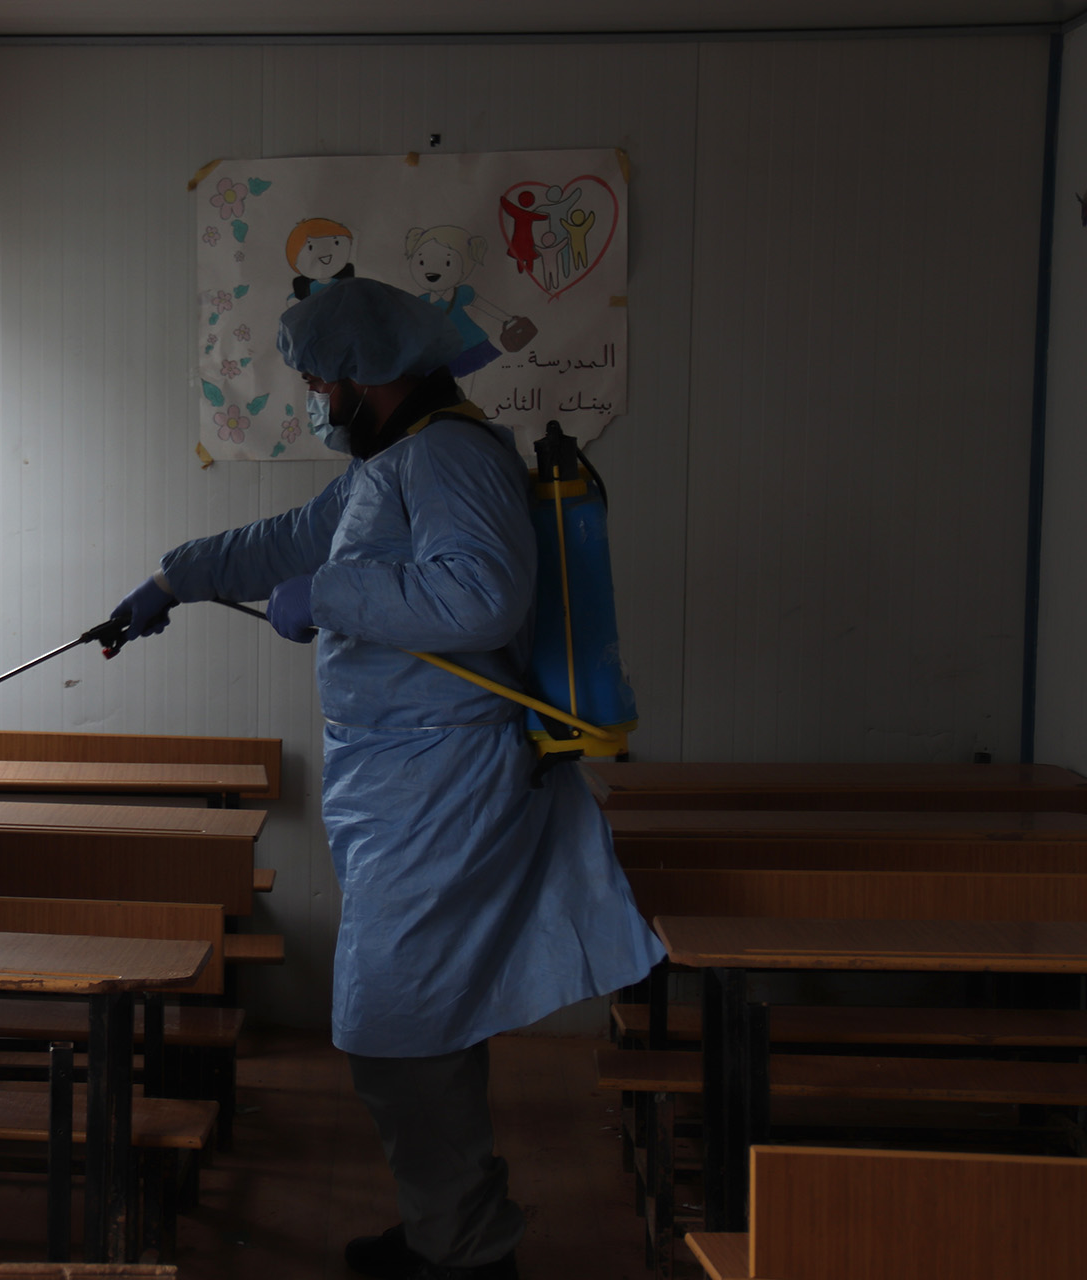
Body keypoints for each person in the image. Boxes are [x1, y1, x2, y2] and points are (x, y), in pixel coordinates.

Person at [109, 277, 662, 1280]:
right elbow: (292, 538)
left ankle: (466, 1247)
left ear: (372, 372)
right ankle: (450, 1230)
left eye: (322, 378)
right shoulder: (400, 459)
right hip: (407, 788)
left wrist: (329, 594)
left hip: (444, 785)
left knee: (395, 1025)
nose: (316, 396)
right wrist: (175, 577)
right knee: (425, 1021)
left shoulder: (452, 456)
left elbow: (482, 594)